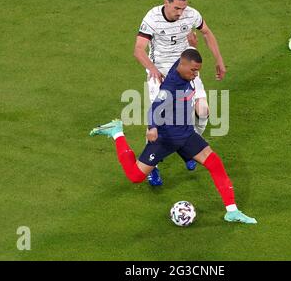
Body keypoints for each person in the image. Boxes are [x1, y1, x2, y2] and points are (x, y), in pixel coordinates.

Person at [90, 49, 256, 224]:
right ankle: (117, 132)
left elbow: (187, 54)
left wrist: (193, 43)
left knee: (215, 163)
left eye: (198, 70)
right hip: (166, 138)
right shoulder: (171, 85)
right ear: (182, 66)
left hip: (186, 134)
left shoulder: (183, 67)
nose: (196, 74)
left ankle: (232, 211)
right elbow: (155, 107)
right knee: (135, 176)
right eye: (193, 70)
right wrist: (152, 127)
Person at [134, 0, 227, 186]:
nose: (180, 13)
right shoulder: (152, 19)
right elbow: (139, 50)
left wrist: (219, 59)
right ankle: (153, 168)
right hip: (160, 73)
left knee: (203, 110)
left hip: (186, 70)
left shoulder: (191, 15)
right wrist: (153, 69)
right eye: (177, 8)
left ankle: (191, 150)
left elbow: (207, 33)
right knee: (158, 122)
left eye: (183, 8)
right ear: (166, 2)